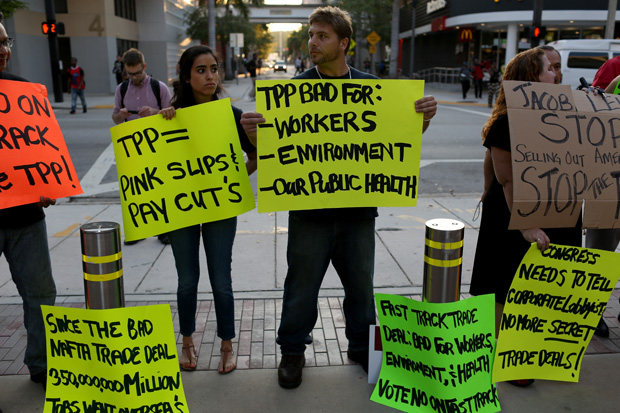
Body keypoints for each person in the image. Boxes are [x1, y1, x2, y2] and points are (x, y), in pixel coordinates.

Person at [240, 5, 437, 389]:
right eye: (311, 34)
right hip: (309, 213)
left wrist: (423, 119)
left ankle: (362, 347)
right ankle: (293, 352)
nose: (312, 42)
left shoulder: (371, 89)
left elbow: (396, 141)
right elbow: (274, 151)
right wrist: (253, 137)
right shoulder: (291, 92)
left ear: (344, 43)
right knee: (300, 288)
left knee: (362, 288)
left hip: (358, 213)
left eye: (322, 36)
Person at [470, 48, 582, 387]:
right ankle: (509, 357)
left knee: (544, 285)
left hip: (556, 210)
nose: (556, 74)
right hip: (513, 214)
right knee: (509, 285)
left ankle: (533, 350)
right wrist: (527, 225)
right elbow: (508, 179)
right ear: (531, 77)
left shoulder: (562, 115)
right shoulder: (507, 122)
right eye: (549, 68)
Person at [158, 45, 257, 374]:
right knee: (187, 281)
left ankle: (227, 344)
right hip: (182, 210)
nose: (210, 76)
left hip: (220, 207)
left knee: (221, 280)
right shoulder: (172, 116)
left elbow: (257, 156)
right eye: (201, 70)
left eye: (213, 69)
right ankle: (187, 343)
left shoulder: (232, 115)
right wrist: (162, 120)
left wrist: (235, 176)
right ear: (186, 77)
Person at [0, 13, 57, 389]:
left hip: (25, 218)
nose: (4, 50)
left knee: (40, 294)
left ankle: (41, 364)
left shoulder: (24, 92)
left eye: (6, 42)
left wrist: (48, 183)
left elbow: (42, 150)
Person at [112, 48, 172, 246]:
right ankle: (139, 229)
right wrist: (121, 115)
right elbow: (115, 118)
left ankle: (164, 229)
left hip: (157, 146)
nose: (134, 77)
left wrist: (155, 112)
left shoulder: (158, 87)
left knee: (160, 188)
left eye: (138, 72)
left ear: (144, 67)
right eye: (130, 74)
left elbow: (172, 115)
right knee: (136, 190)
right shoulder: (121, 89)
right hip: (132, 148)